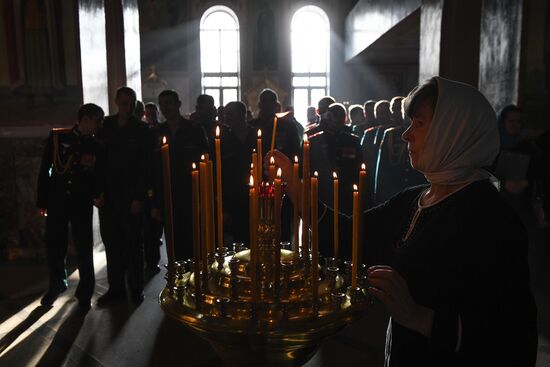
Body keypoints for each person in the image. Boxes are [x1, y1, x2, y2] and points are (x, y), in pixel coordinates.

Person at [271, 76, 538, 366]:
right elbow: (348, 236)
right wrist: (295, 188)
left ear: (454, 131)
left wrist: (417, 316)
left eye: (419, 124)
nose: (406, 135)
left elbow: (512, 335)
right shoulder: (415, 199)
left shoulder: (492, 219)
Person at [36, 103, 105, 311]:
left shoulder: (96, 145)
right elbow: (45, 170)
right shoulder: (59, 138)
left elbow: (96, 175)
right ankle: (56, 284)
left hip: (81, 202)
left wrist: (97, 195)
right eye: (97, 120)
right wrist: (42, 201)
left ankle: (85, 291)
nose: (100, 124)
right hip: (57, 201)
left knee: (84, 247)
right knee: (55, 244)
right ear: (84, 119)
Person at [97, 86, 150, 306]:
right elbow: (98, 162)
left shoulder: (141, 129)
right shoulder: (105, 126)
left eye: (131, 103)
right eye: (123, 102)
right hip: (108, 197)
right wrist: (97, 193)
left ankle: (136, 287)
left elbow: (144, 168)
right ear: (116, 101)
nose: (127, 107)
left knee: (133, 244)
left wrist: (139, 197)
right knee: (112, 243)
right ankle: (116, 287)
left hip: (130, 196)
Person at [152, 89, 209, 261]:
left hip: (191, 194)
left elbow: (205, 161)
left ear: (178, 104)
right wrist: (154, 202)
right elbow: (152, 169)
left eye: (169, 103)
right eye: (162, 104)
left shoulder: (194, 129)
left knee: (193, 242)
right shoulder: (156, 132)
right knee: (173, 243)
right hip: (167, 195)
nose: (165, 107)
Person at [220, 101, 256, 243]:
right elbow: (220, 176)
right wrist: (223, 208)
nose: (226, 118)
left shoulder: (258, 137)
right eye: (225, 115)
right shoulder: (223, 141)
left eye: (230, 114)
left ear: (242, 115)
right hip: (233, 202)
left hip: (257, 199)